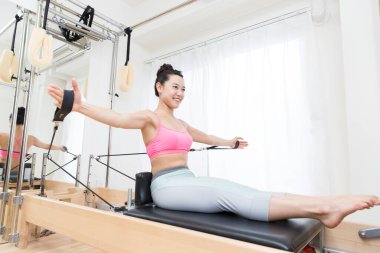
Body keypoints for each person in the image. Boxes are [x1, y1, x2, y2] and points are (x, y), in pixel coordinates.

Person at [48, 64, 380, 228]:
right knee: (231, 196)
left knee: (239, 188)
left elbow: (207, 137)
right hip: (166, 187)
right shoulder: (149, 118)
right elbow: (116, 118)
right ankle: (323, 210)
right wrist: (81, 106)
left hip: (188, 182)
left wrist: (230, 142)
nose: (179, 92)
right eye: (174, 87)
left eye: (183, 88)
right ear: (159, 87)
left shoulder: (181, 123)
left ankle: (329, 203)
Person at [0, 107, 66, 176]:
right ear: (25, 121)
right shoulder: (31, 139)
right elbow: (47, 146)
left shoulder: (2, 136)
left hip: (2, 175)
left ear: (11, 120)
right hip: (19, 176)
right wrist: (60, 147)